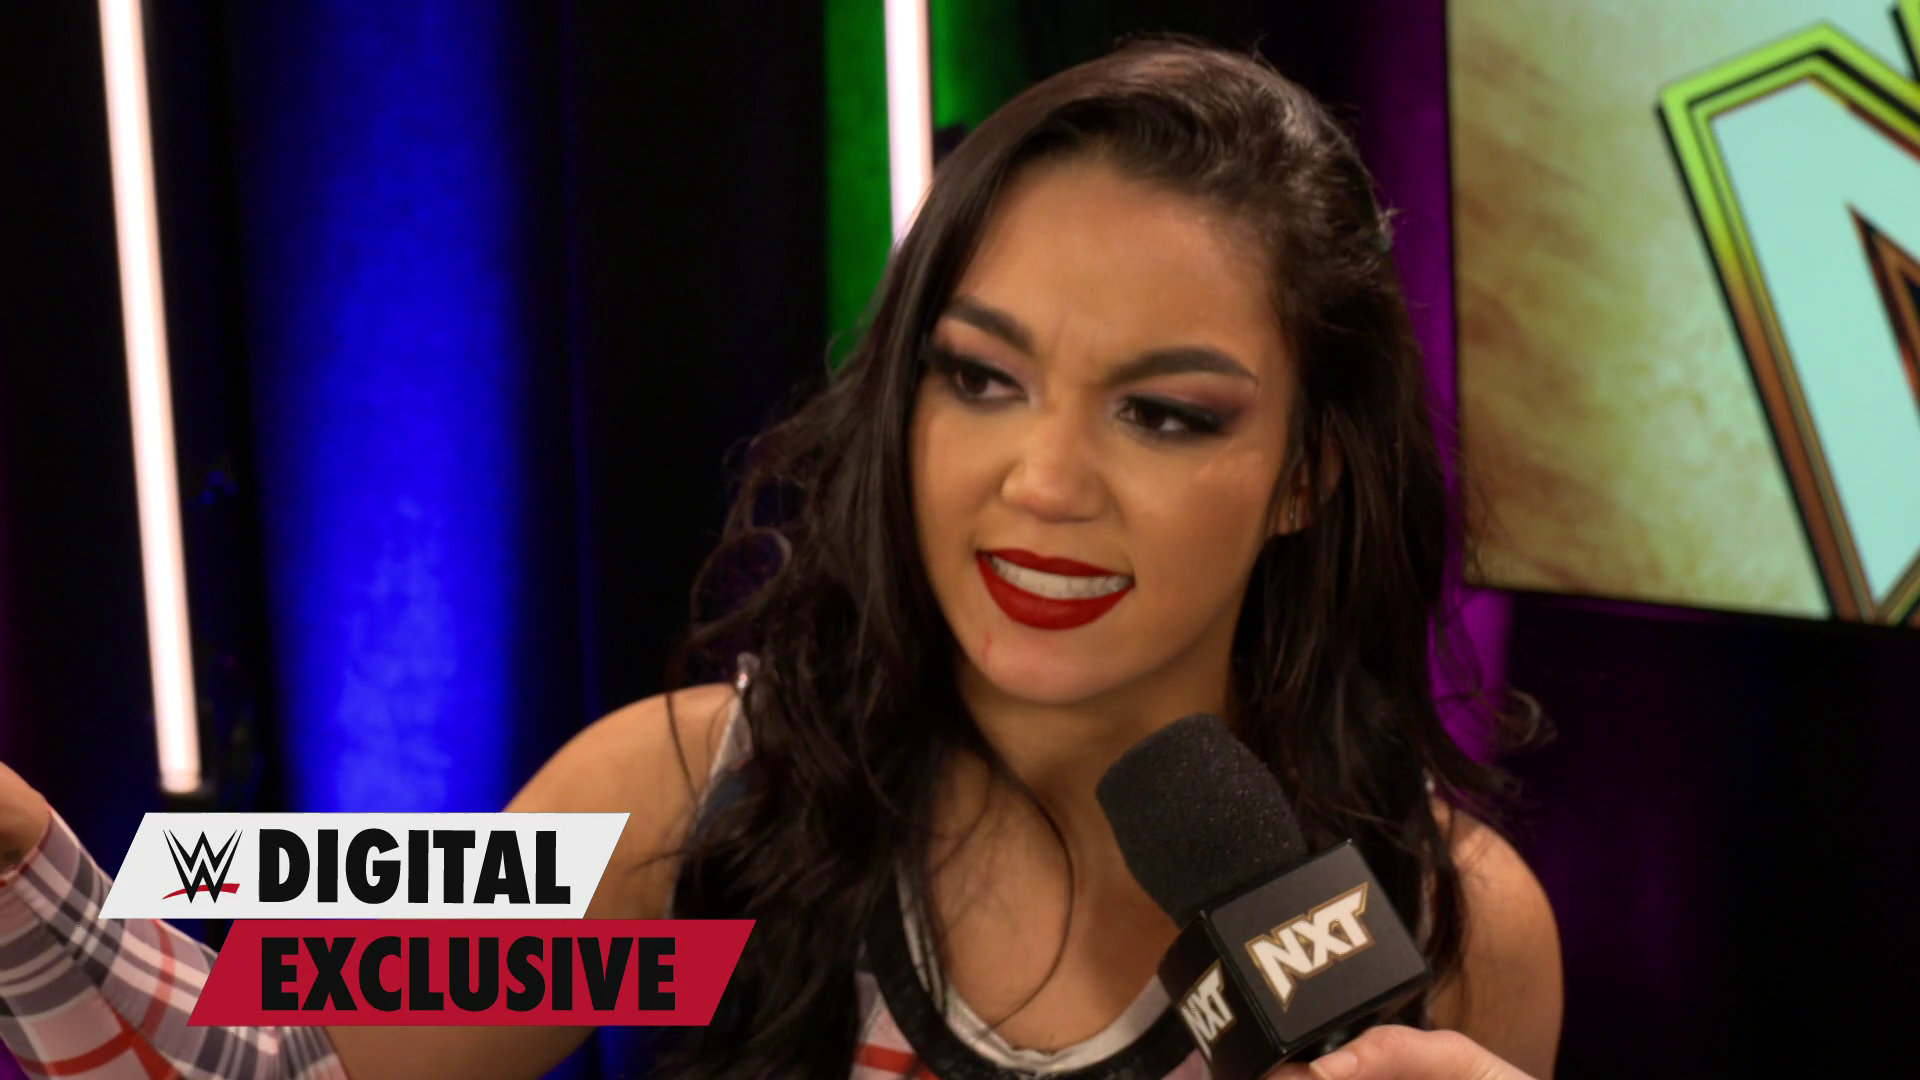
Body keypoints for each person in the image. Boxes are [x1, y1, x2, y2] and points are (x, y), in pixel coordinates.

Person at [0, 40, 1561, 1080]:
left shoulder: (1450, 923)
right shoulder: (685, 798)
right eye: (981, 378)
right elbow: (273, 1063)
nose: (1042, 482)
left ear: (1306, 474)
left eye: (1163, 414)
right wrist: (21, 866)